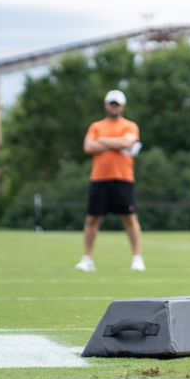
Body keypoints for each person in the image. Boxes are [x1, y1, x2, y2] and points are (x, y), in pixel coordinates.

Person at [74, 89, 144, 272]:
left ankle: (137, 258)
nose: (114, 107)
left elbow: (128, 142)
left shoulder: (130, 125)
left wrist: (103, 142)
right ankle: (87, 258)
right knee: (92, 219)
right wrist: (116, 142)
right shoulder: (96, 126)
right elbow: (88, 146)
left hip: (123, 178)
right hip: (99, 178)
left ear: (122, 106)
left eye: (117, 104)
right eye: (111, 103)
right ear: (106, 105)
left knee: (130, 218)